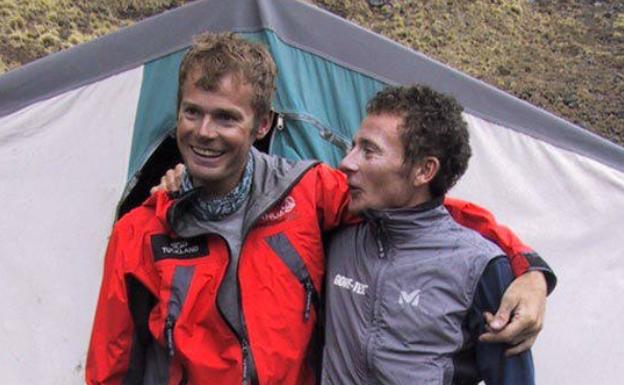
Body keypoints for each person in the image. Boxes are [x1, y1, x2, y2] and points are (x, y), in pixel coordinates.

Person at [86, 32, 553, 385]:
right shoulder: (141, 232)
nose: (204, 132)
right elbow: (111, 364)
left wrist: (527, 268)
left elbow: (426, 212)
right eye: (192, 112)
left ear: (262, 124)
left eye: (226, 117)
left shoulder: (307, 193)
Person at [322, 85, 540, 384]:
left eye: (369, 151)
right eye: (353, 146)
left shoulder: (479, 267)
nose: (347, 162)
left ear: (424, 171)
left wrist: (533, 274)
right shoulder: (338, 231)